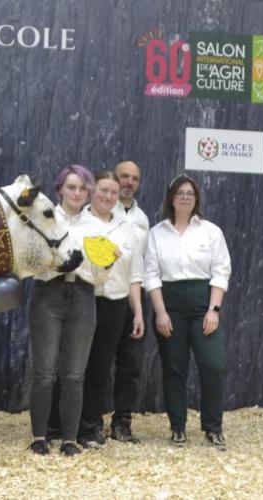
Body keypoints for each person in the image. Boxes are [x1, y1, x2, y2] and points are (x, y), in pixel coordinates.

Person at [27, 164, 109, 457]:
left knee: (74, 373)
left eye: (83, 188)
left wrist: (107, 264)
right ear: (60, 189)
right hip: (48, 293)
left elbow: (99, 277)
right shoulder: (44, 219)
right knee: (44, 371)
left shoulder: (97, 227)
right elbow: (33, 261)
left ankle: (70, 440)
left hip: (83, 296)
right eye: (71, 187)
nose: (77, 192)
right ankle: (39, 437)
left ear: (89, 193)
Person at [144, 174, 230, 449]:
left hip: (203, 305)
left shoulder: (211, 231)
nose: (185, 197)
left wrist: (213, 310)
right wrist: (160, 313)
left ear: (196, 199)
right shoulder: (157, 233)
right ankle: (177, 426)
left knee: (212, 366)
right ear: (171, 197)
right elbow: (151, 275)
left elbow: (220, 272)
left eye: (190, 193)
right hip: (169, 306)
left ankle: (213, 427)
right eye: (180, 192)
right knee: (174, 369)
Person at [76, 171, 146, 449]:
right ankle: (66, 425)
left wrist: (138, 312)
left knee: (101, 368)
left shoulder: (127, 229)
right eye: (103, 190)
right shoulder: (79, 222)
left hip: (115, 305)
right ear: (92, 191)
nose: (108, 196)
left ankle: (91, 427)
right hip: (84, 299)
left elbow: (135, 275)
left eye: (113, 193)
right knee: (75, 367)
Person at [106, 160, 150, 443]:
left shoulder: (143, 219)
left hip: (133, 297)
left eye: (134, 178)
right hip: (103, 297)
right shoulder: (97, 212)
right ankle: (90, 422)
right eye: (124, 176)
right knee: (96, 363)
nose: (128, 182)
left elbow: (140, 264)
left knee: (130, 365)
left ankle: (122, 423)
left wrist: (139, 310)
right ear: (114, 177)